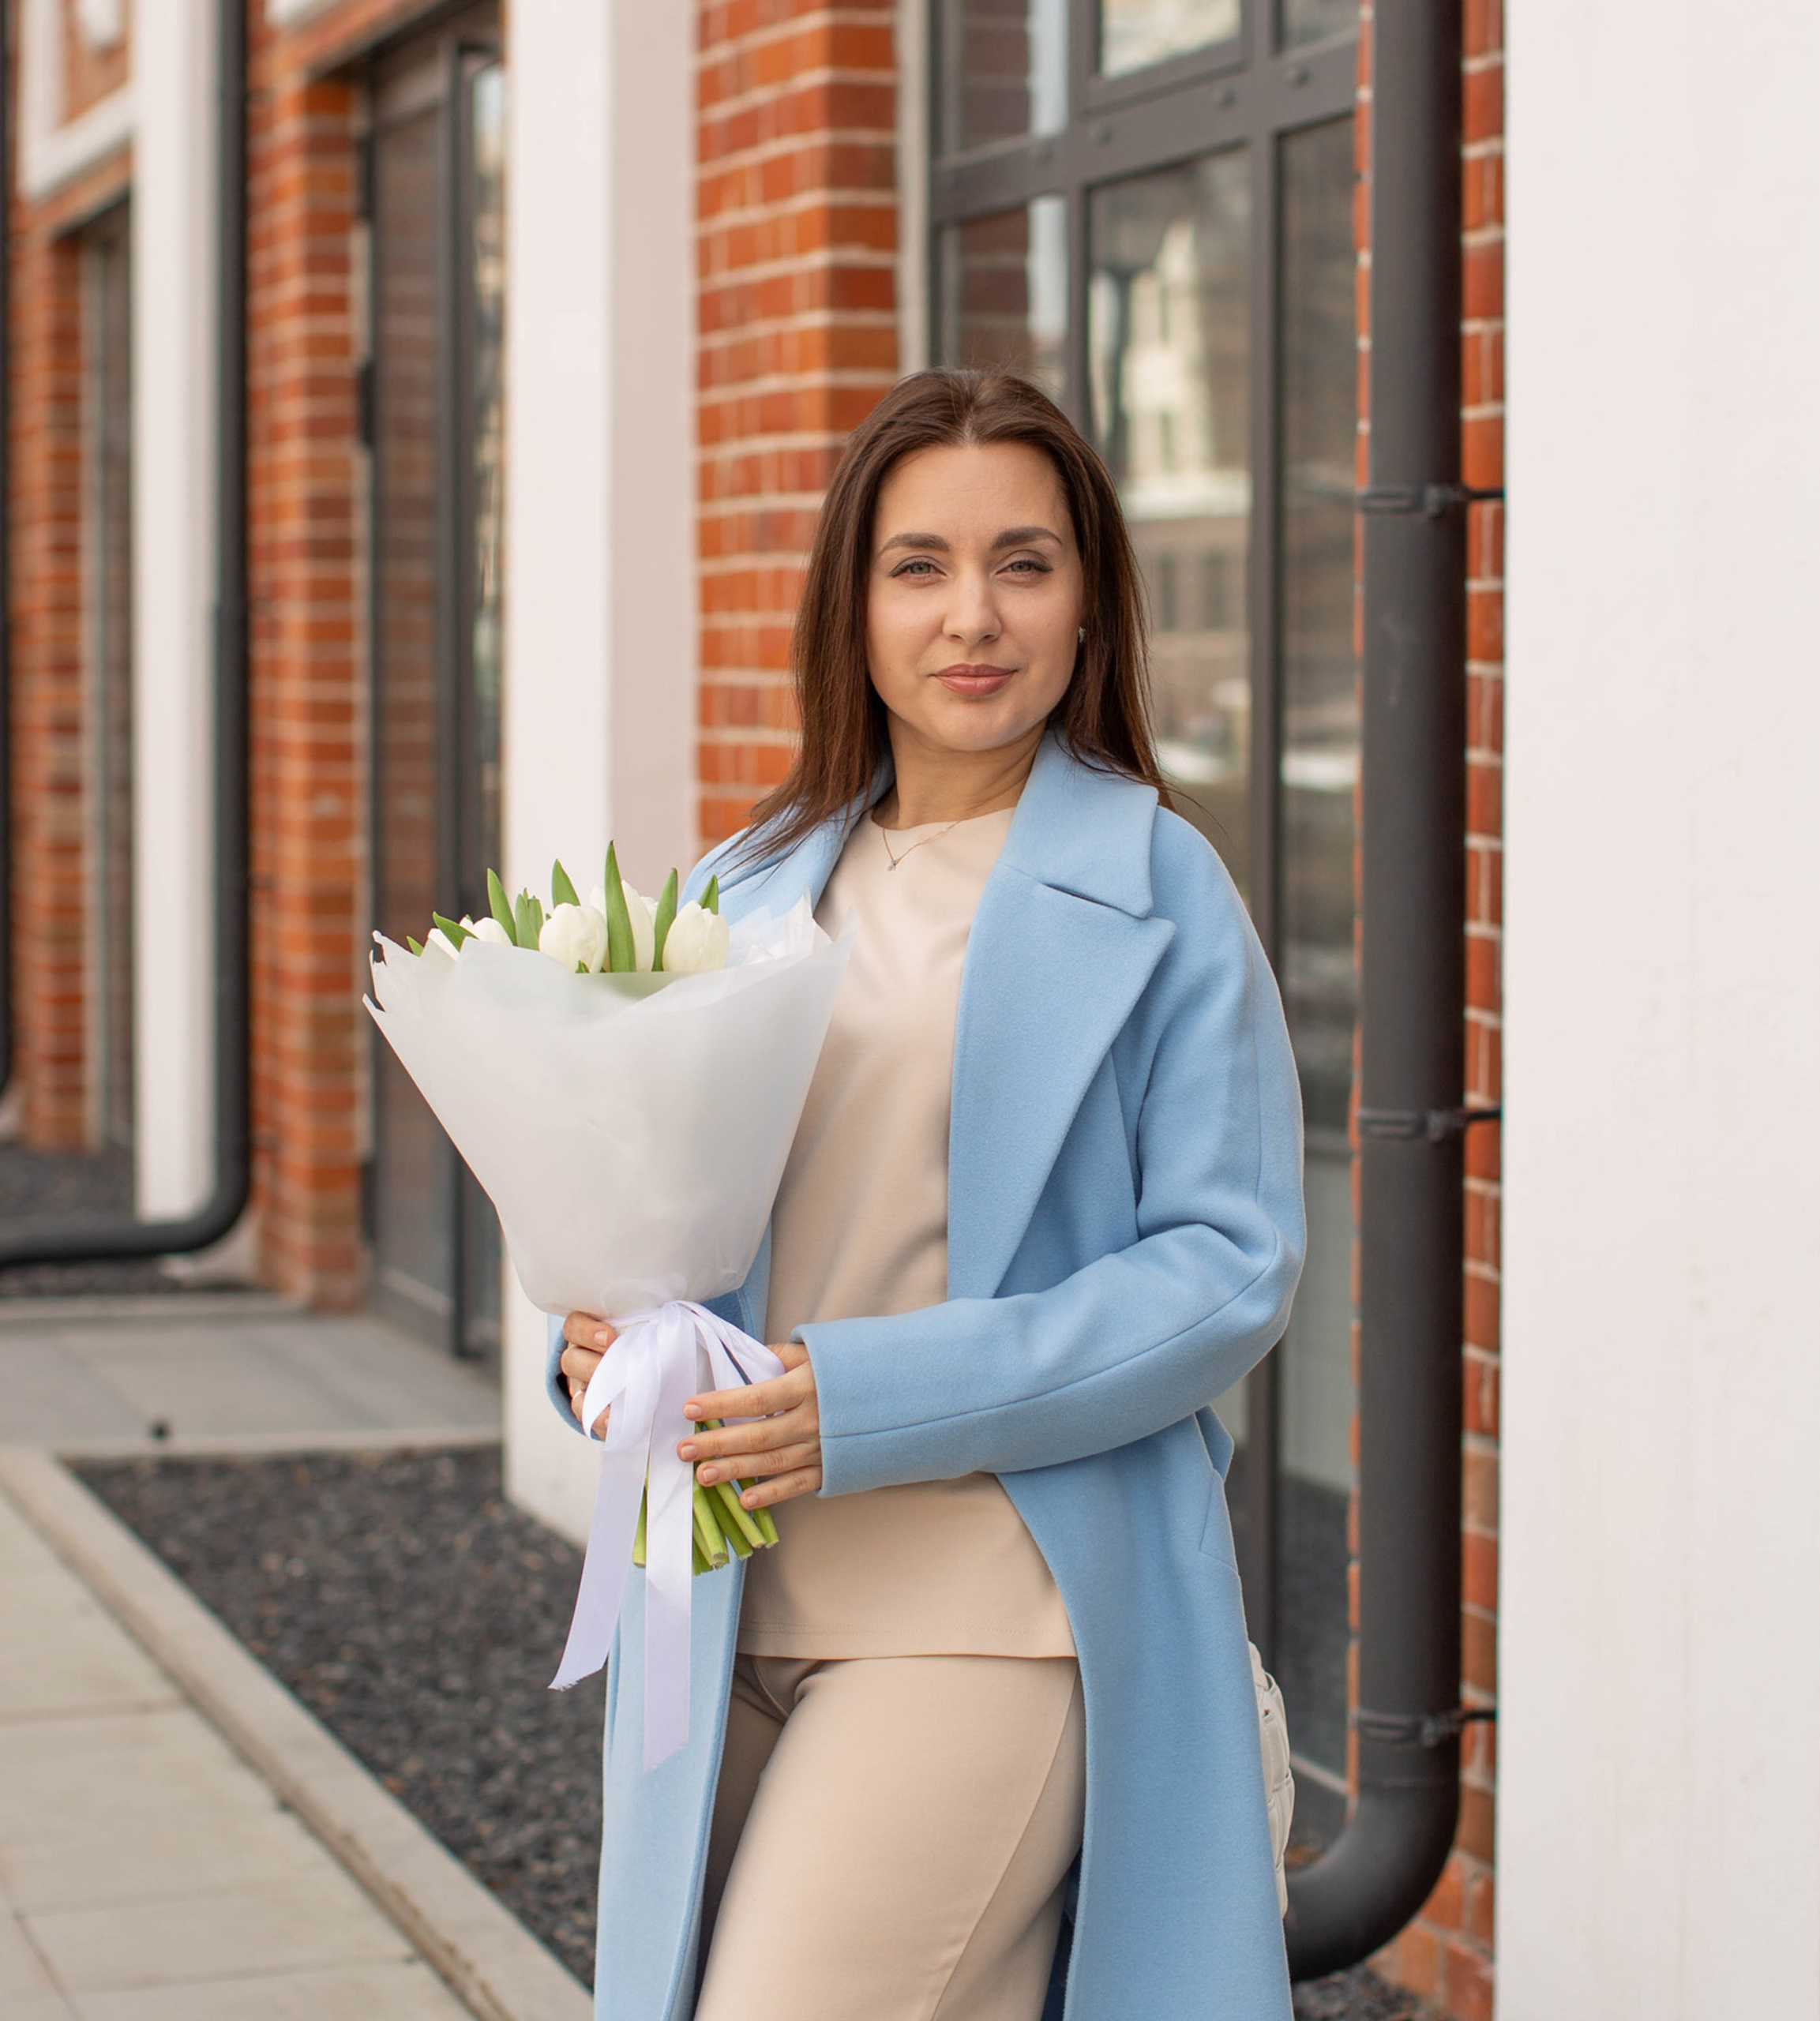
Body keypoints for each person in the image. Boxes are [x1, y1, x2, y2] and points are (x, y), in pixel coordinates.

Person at [550, 368, 1305, 2021]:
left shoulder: (1159, 885)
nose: (974, 615)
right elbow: (651, 1203)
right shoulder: (747, 879)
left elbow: (1224, 1268)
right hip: (729, 1579)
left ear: (1092, 599)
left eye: (1024, 562)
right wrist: (597, 1345)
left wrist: (871, 1396)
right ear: (855, 602)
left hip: (996, 1598)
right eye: (920, 566)